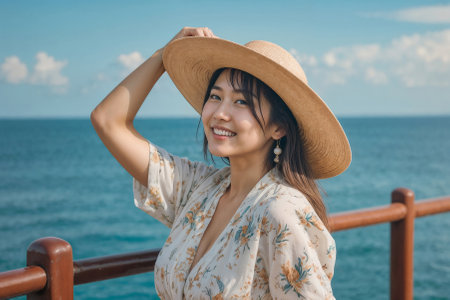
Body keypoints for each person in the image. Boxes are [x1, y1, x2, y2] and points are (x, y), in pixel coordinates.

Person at [91, 27, 351, 299]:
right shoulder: (200, 189)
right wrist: (162, 56)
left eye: (241, 102)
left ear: (278, 128)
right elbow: (108, 120)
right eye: (215, 96)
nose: (220, 113)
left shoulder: (281, 213)